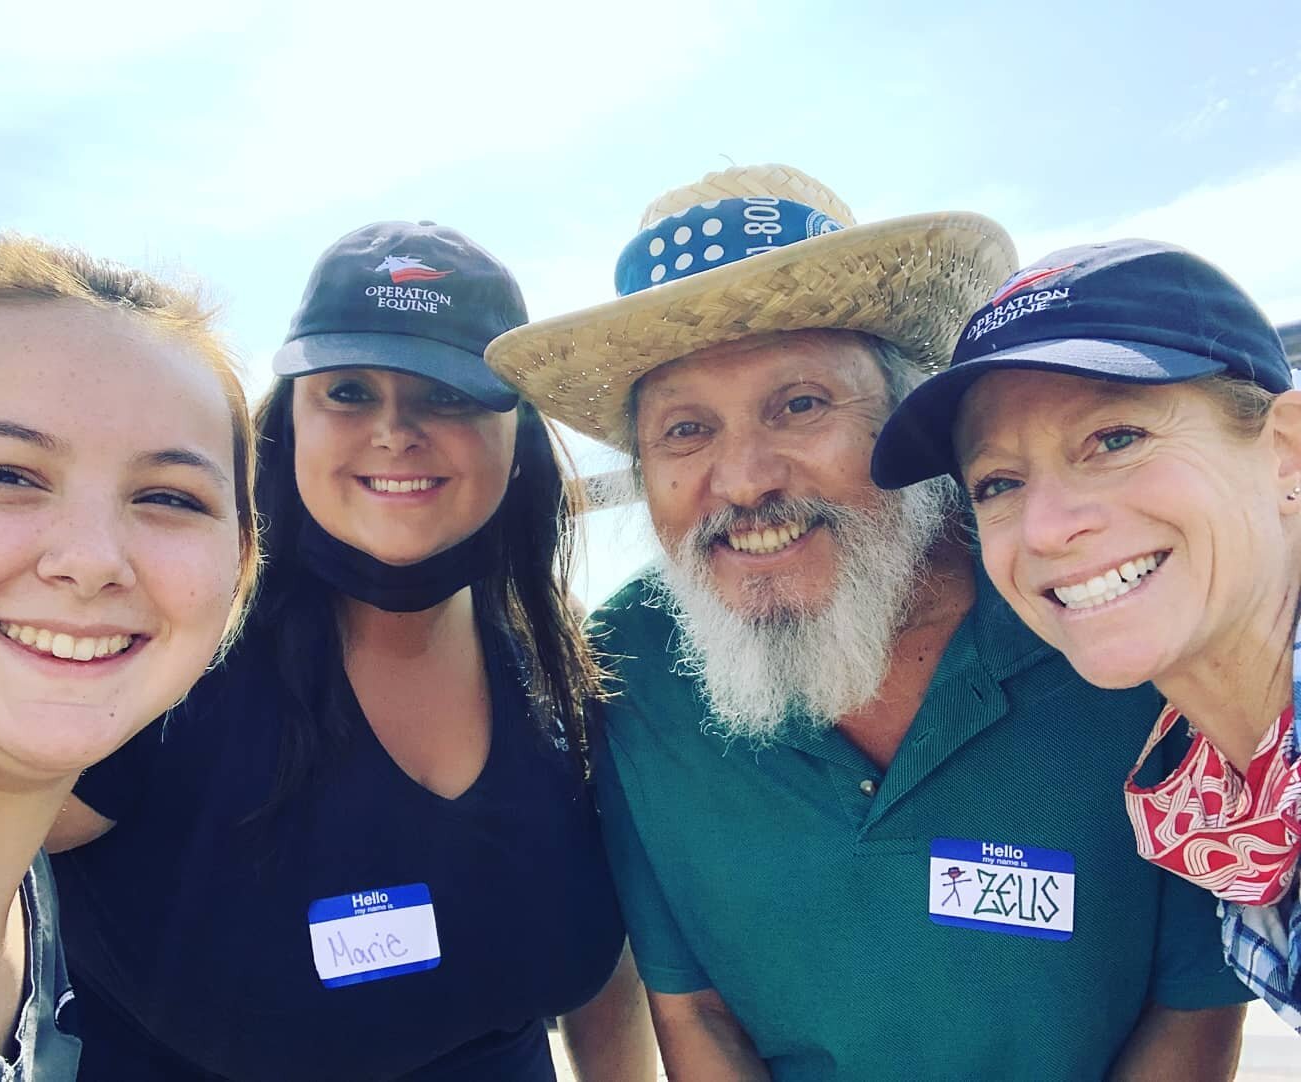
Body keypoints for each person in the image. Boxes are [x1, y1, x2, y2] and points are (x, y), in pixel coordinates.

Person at [485, 166, 1254, 1080]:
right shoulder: (630, 665)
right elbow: (694, 1012)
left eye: (800, 405)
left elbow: (1195, 1009)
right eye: (685, 432)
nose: (741, 481)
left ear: (905, 418)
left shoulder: (1093, 606)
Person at [48, 221, 655, 1081]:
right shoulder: (166, 667)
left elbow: (606, 969)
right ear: (286, 425)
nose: (396, 429)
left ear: (517, 433)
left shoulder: (567, 666)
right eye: (348, 392)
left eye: (447, 393)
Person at [872, 239, 1301, 1030]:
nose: (1045, 528)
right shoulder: (1215, 794)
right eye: (998, 484)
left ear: (1284, 452)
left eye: (1115, 439)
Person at [0, 236, 259, 1080]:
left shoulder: (25, 892)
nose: (90, 558)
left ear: (241, 570)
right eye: (2, 473)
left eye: (169, 497)